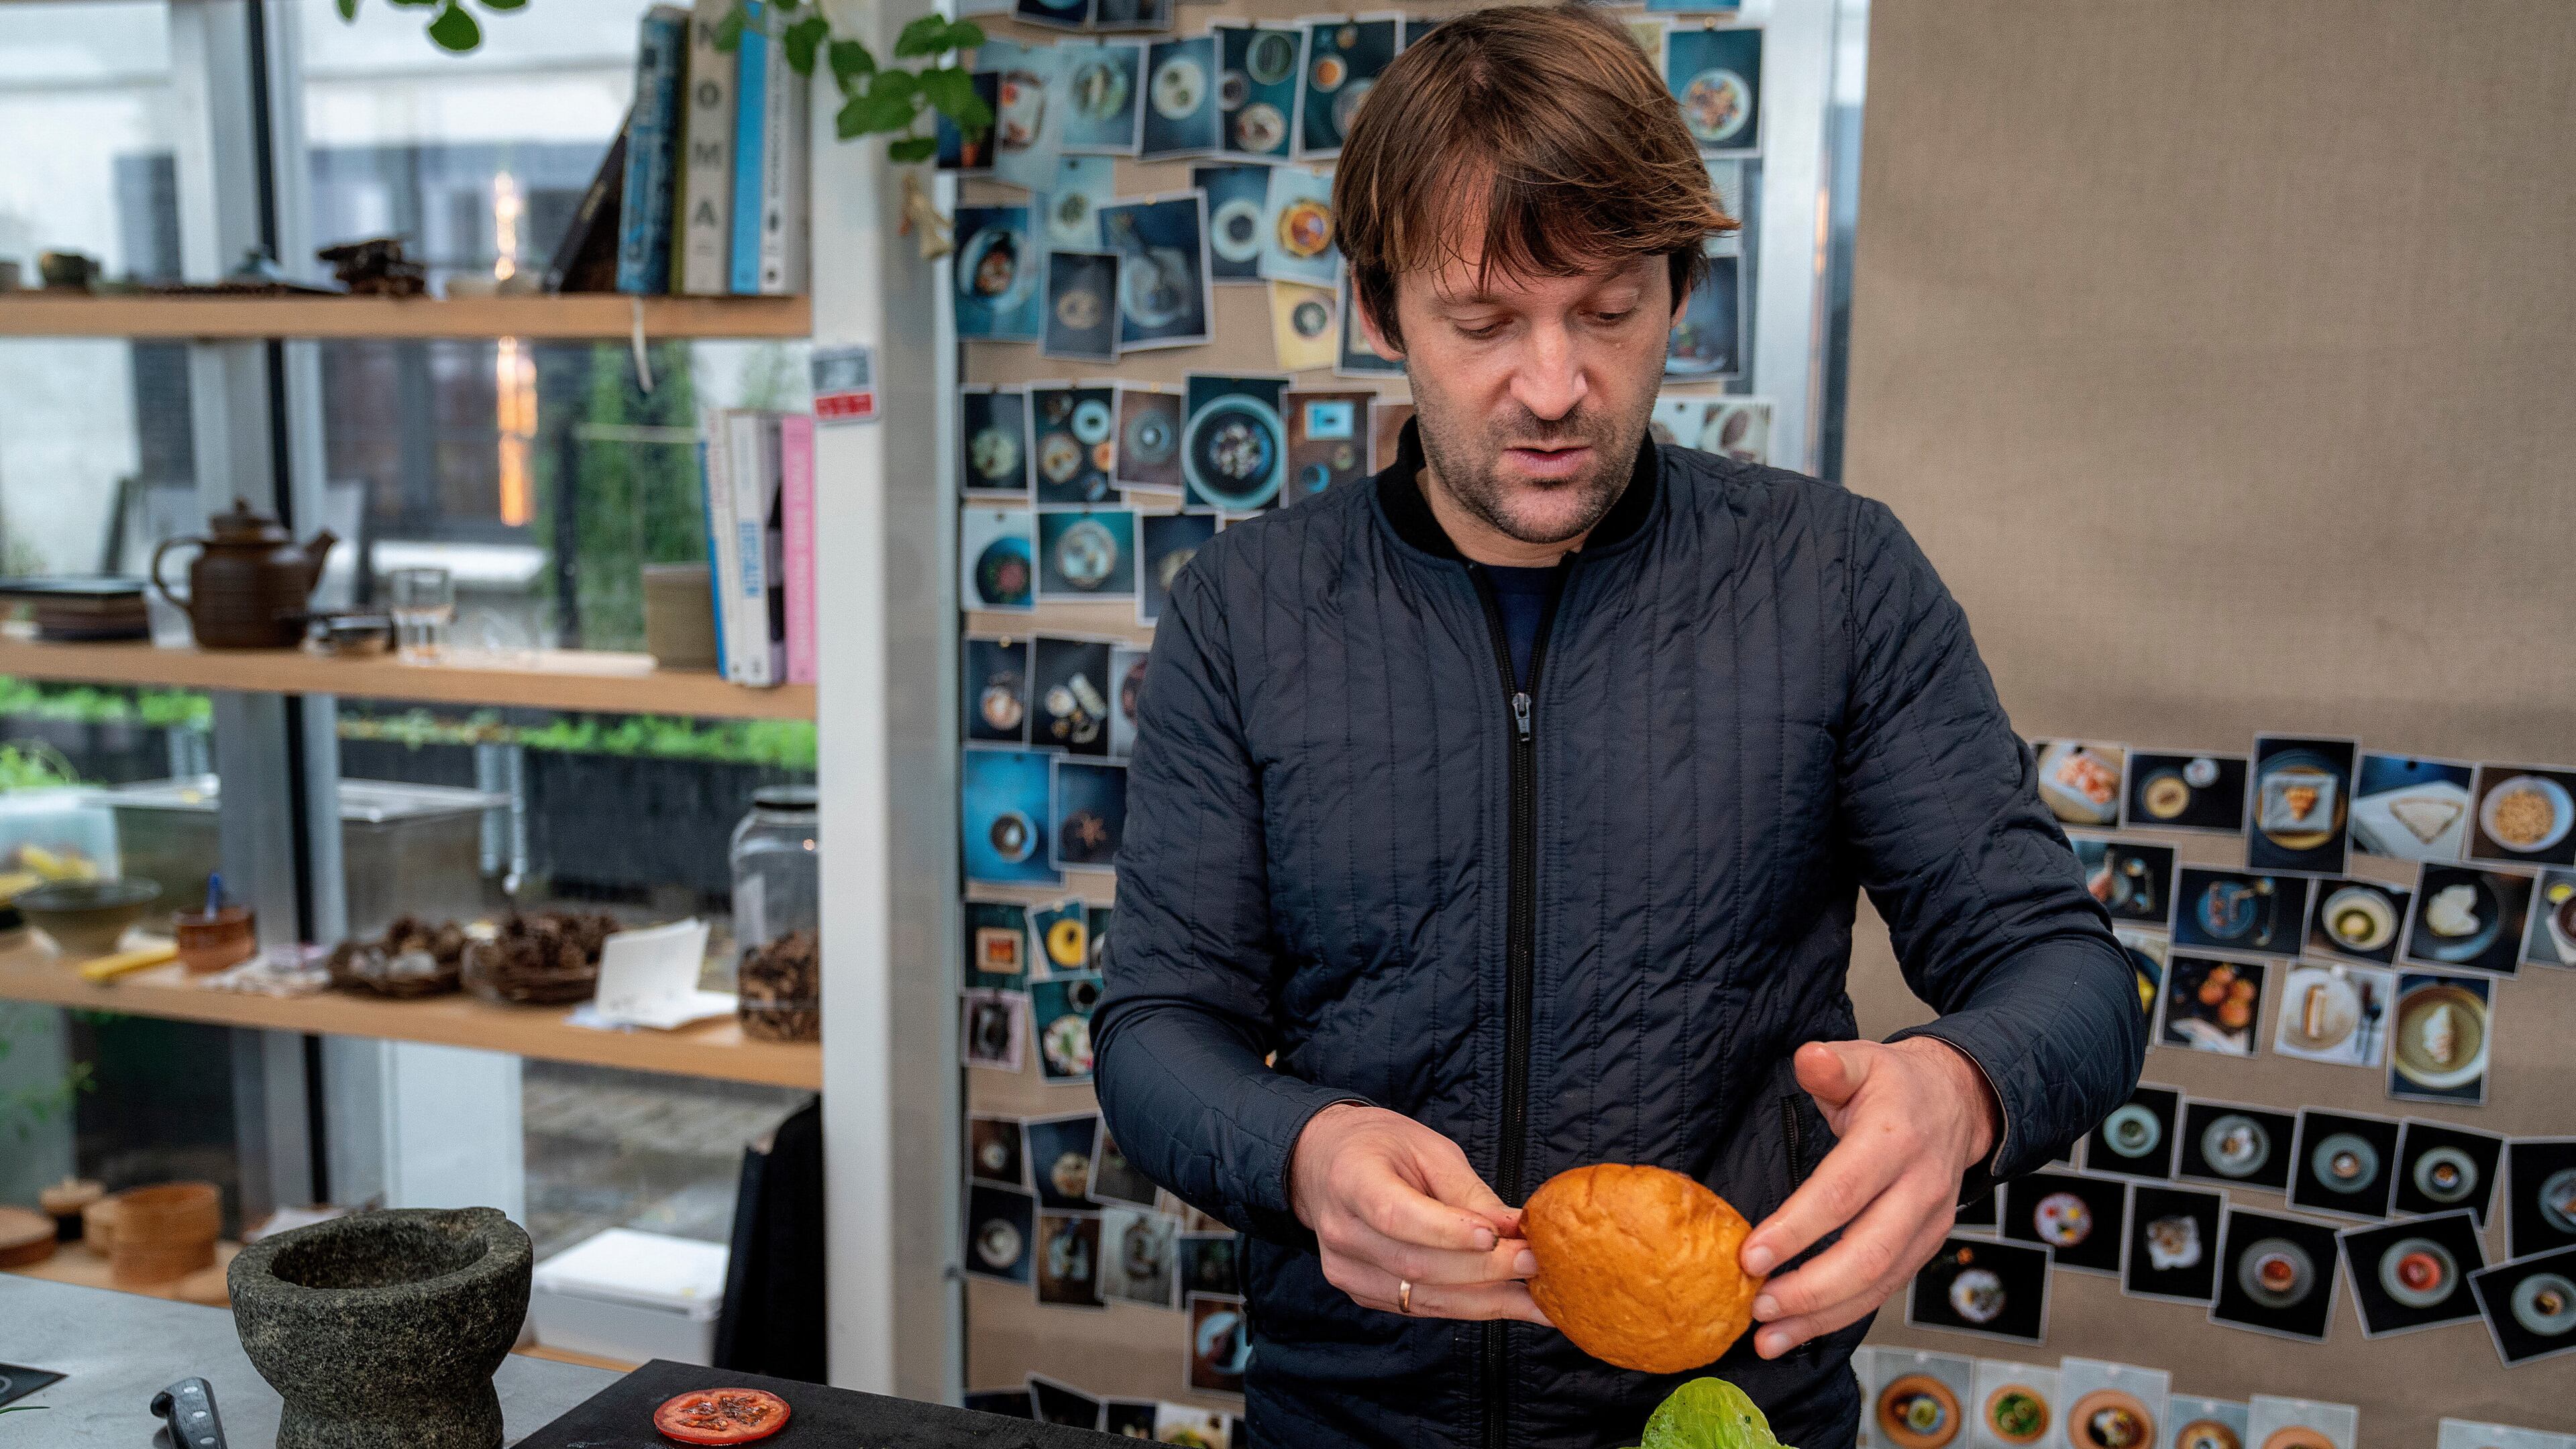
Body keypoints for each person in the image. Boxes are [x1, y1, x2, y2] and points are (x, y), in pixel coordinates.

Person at [1091, 6, 2145, 1445]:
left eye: (1607, 310)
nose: (1552, 387)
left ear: (1680, 291)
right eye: (1482, 322)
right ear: (1383, 307)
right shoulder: (1250, 609)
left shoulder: (1831, 578)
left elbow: (2060, 970)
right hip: (1350, 1415)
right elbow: (1158, 1030)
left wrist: (1964, 1090)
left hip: (1721, 1410)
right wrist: (1303, 1147)